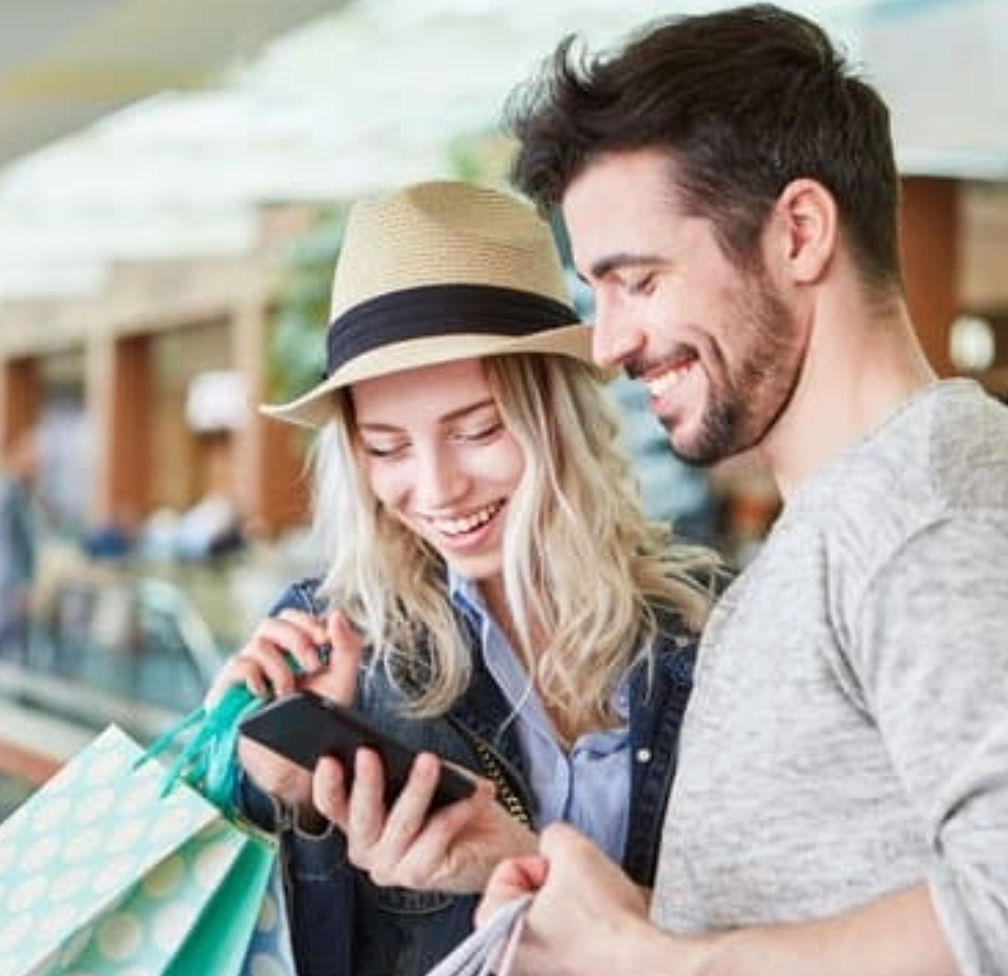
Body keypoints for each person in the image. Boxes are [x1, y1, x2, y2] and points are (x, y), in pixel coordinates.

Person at [479, 6, 1008, 975]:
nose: (607, 344)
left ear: (800, 233)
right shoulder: (841, 525)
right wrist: (620, 922)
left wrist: (649, 963)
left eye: (637, 282)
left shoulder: (941, 513)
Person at [204, 179, 726, 976]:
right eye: (386, 448)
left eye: (478, 430)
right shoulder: (335, 647)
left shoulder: (702, 631)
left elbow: (774, 926)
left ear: (557, 417)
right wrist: (276, 795)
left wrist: (519, 863)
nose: (438, 488)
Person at [0, 425, 41, 660]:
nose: (36, 465)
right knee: (3, 631)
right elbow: (6, 540)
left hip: (19, 576)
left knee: (20, 635)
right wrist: (19, 584)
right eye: (32, 459)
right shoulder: (8, 492)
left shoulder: (23, 492)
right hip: (10, 577)